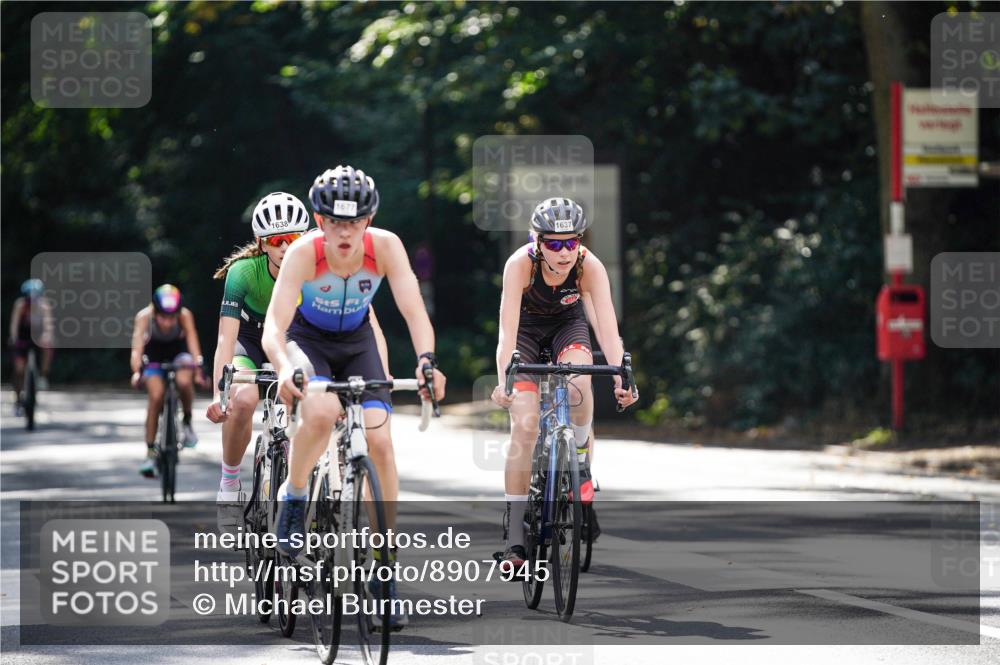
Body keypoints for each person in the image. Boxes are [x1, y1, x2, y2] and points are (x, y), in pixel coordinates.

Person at [263, 164, 446, 629]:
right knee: (321, 411)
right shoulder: (304, 253)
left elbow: (412, 310)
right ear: (319, 221)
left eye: (355, 222)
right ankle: (295, 496)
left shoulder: (385, 247)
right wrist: (285, 370)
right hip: (309, 342)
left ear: (369, 220)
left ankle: (384, 568)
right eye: (335, 223)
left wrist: (426, 361)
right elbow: (274, 327)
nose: (345, 233)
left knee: (382, 443)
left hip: (359, 342)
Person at [205, 191, 392, 532]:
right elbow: (225, 340)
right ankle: (229, 484)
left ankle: (317, 484)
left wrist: (381, 370)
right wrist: (221, 392)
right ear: (262, 245)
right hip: (250, 343)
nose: (285, 247)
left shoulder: (319, 266)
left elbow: (366, 321)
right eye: (277, 240)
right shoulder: (243, 273)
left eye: (293, 238)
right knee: (244, 400)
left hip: (294, 340)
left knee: (318, 402)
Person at [490, 197, 638, 572]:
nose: (564, 251)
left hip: (566, 328)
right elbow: (506, 332)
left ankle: (581, 462)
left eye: (571, 242)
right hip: (525, 333)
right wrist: (502, 379)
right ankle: (515, 540)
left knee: (579, 383)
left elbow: (607, 329)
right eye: (554, 243)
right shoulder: (519, 265)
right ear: (537, 242)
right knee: (524, 426)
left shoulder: (590, 266)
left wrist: (622, 373)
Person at [130, 284, 206, 477]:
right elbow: (137, 349)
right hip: (154, 356)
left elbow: (193, 342)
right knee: (156, 397)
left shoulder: (184, 316)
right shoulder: (144, 317)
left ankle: (187, 422)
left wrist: (198, 368)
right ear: (155, 311)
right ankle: (150, 452)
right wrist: (137, 371)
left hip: (178, 353)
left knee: (184, 382)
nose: (167, 322)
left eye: (172, 317)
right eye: (163, 317)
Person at [9, 279, 55, 413]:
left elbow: (48, 324)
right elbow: (14, 324)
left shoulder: (44, 306)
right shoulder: (20, 305)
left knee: (47, 348)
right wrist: (14, 337)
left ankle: (43, 375)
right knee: (19, 369)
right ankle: (18, 399)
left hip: (38, 337)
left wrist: (47, 335)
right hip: (23, 337)